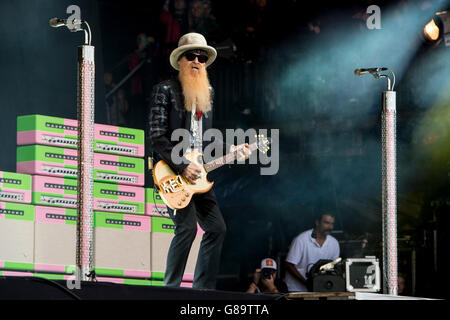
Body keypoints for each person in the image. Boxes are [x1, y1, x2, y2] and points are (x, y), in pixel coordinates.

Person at [148, 32, 251, 289]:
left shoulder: (208, 93)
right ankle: (170, 289)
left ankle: (203, 290)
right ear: (180, 60)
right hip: (173, 171)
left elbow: (207, 141)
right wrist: (182, 165)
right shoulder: (165, 90)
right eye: (191, 56)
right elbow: (157, 137)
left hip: (199, 175)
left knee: (217, 228)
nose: (197, 60)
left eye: (202, 57)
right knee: (187, 229)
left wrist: (233, 149)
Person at [283, 212, 340, 292]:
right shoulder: (301, 239)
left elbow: (334, 267)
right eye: (326, 223)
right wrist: (306, 282)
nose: (330, 227)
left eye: (332, 224)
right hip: (297, 289)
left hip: (321, 289)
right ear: (317, 222)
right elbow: (289, 264)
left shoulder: (334, 243)